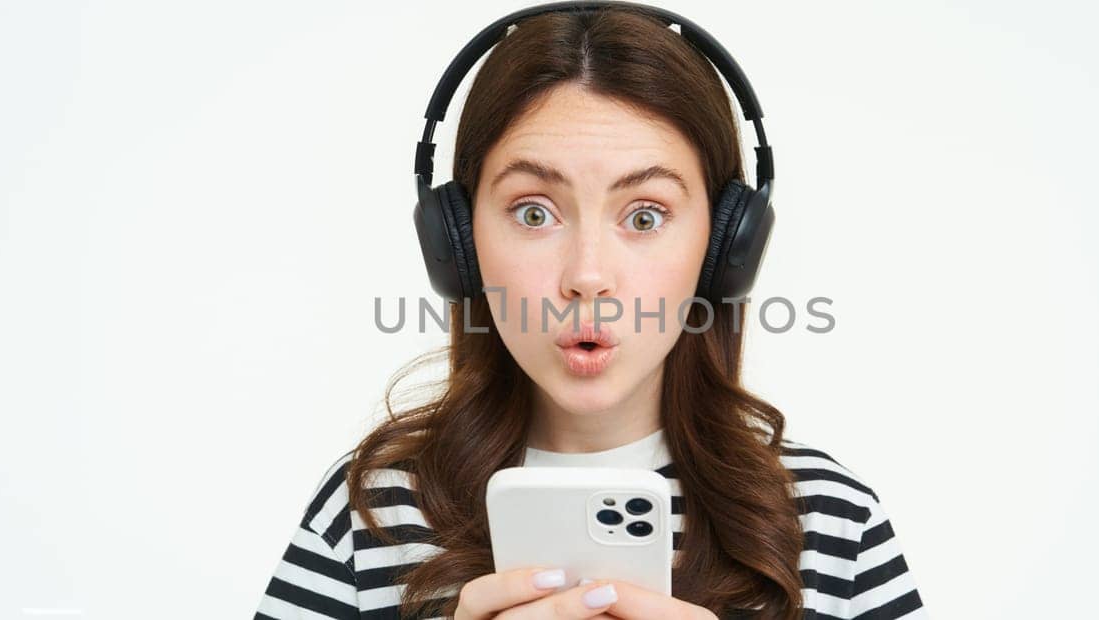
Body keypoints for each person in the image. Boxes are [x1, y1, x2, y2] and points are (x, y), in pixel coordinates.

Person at [255, 4, 925, 619]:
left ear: (725, 246)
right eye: (534, 211)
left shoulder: (830, 523)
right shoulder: (370, 513)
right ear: (457, 243)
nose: (587, 277)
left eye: (645, 215)